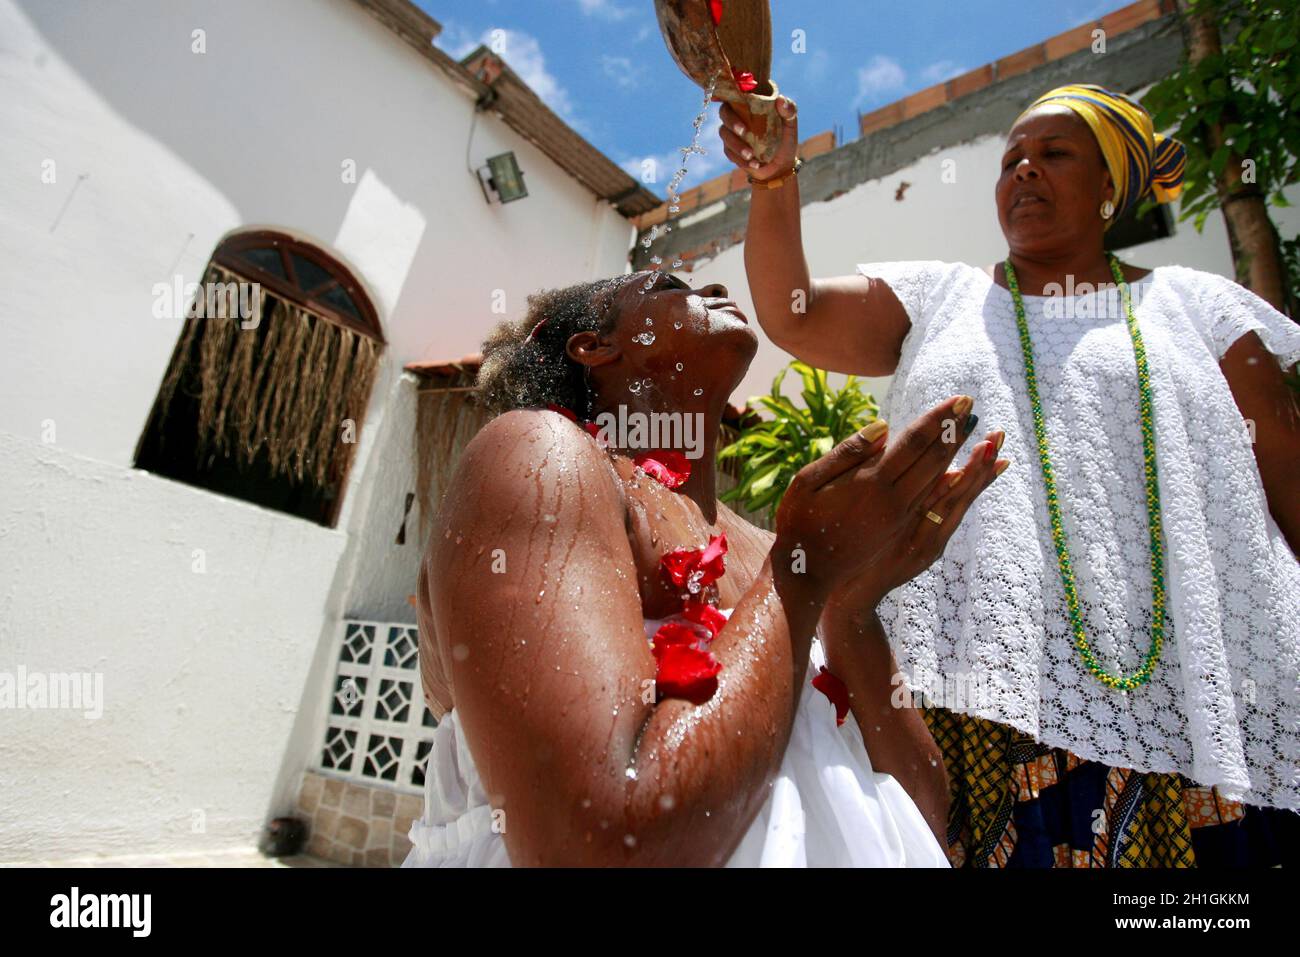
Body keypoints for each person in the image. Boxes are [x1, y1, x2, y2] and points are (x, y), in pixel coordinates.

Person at [720, 82, 1300, 866]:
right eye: (1009, 161)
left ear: (1110, 187)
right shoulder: (942, 296)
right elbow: (792, 313)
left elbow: (1288, 487)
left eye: (1053, 154)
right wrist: (773, 180)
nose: (1023, 172)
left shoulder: (1204, 309)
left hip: (1199, 705)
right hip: (982, 700)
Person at [403, 270, 1008, 866]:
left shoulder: (781, 545)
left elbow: (924, 819)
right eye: (669, 286)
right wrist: (802, 579)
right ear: (594, 346)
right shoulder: (541, 456)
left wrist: (850, 606)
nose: (715, 289)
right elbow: (600, 847)